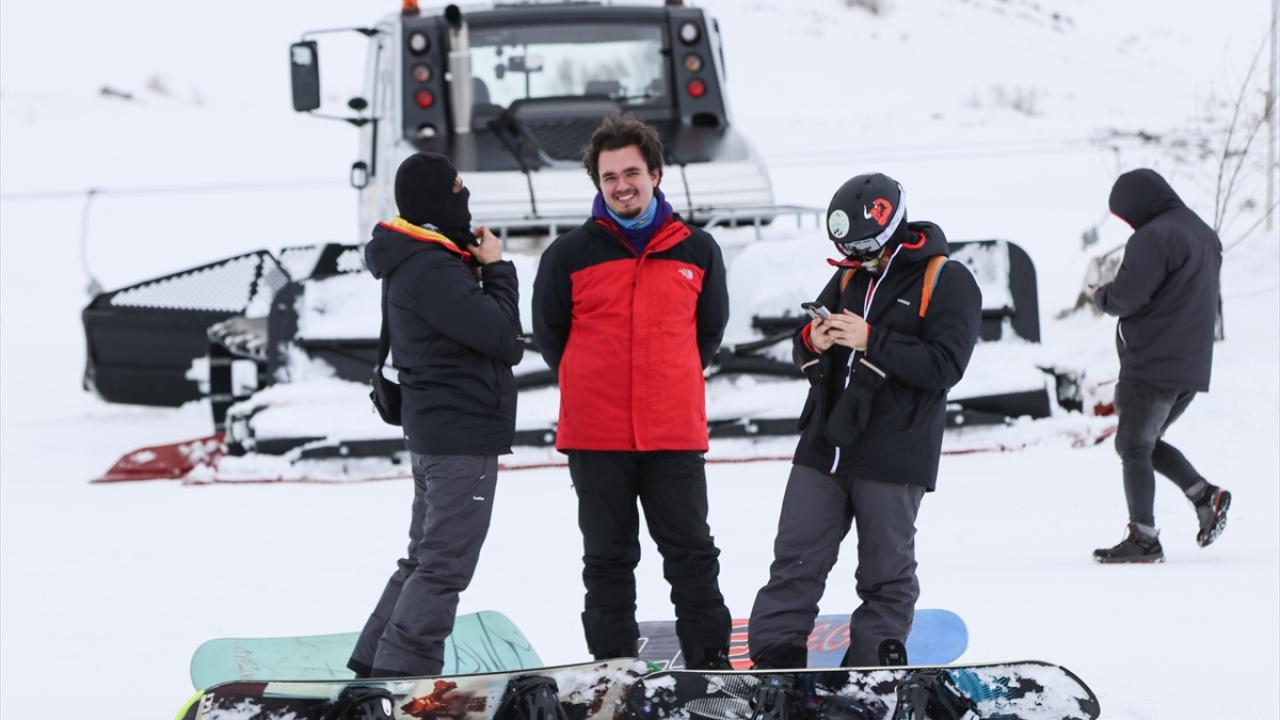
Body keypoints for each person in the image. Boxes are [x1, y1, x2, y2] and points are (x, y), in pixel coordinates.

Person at [748, 172, 981, 669]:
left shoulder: (948, 279)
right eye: (848, 250)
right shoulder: (851, 275)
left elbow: (946, 366)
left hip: (894, 450)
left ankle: (870, 675)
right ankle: (774, 668)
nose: (857, 259)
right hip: (824, 441)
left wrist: (872, 339)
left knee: (884, 574)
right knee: (794, 562)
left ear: (891, 226)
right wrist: (815, 339)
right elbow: (803, 344)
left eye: (864, 249)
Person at [532, 113, 733, 670]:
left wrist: (665, 381)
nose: (622, 185)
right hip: (596, 439)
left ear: (656, 174)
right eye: (609, 176)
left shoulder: (698, 250)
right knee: (608, 559)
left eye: (632, 172)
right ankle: (612, 670)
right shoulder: (568, 256)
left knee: (692, 554)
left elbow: (707, 333)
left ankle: (710, 666)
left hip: (673, 434)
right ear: (597, 184)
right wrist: (594, 381)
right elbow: (552, 339)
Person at [348, 152, 525, 678]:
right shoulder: (430, 269)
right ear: (434, 201)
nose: (465, 201)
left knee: (424, 560)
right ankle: (402, 677)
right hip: (458, 438)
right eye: (457, 191)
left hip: (440, 433)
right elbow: (504, 339)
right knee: (444, 567)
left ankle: (374, 663)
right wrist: (497, 270)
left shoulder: (421, 260)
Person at [1090, 168, 1229, 564]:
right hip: (1190, 363)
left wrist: (1102, 296)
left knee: (1134, 446)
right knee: (1141, 445)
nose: (1128, 222)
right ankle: (1205, 497)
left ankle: (1144, 538)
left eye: (1125, 214)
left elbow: (1128, 298)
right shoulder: (1202, 233)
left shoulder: (1154, 237)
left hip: (1154, 361)